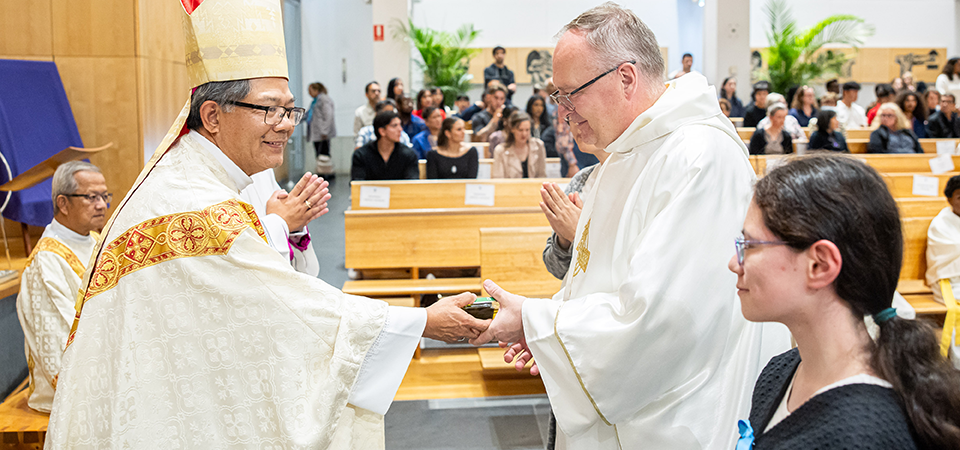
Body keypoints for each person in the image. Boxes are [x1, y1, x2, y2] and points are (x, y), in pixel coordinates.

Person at [45, 2, 488, 446]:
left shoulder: (195, 179)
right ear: (213, 116)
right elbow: (288, 307)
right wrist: (419, 323)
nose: (286, 126)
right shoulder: (198, 209)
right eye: (269, 110)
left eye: (290, 111)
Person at [471, 4, 783, 448]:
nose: (562, 111)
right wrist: (547, 331)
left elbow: (665, 319)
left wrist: (538, 322)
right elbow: (601, 275)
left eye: (569, 93)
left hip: (672, 417)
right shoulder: (627, 151)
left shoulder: (698, 156)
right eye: (556, 96)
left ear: (626, 77)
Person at [732, 155, 960, 449]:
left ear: (820, 265)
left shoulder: (862, 435)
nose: (733, 263)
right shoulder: (781, 371)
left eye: (749, 245)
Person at [16, 161, 107, 413]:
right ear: (63, 203)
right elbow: (60, 341)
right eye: (91, 197)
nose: (102, 205)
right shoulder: (46, 262)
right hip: (68, 398)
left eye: (104, 196)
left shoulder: (96, 240)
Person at [240, 170, 325, 276]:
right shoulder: (216, 184)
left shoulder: (263, 171)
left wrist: (294, 228)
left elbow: (308, 273)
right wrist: (278, 222)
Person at [926, 175, 960, 367]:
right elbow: (950, 251)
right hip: (949, 279)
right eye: (959, 198)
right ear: (949, 199)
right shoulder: (941, 223)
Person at [353, 111, 420, 180]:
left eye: (400, 125)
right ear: (382, 131)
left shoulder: (408, 154)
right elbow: (357, 183)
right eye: (394, 126)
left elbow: (412, 183)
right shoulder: (361, 155)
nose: (400, 129)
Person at [491, 111, 546, 178]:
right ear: (512, 129)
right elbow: (498, 180)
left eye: (527, 130)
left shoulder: (538, 146)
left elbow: (542, 176)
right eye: (520, 130)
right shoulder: (500, 151)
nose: (524, 134)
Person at [306, 82, 335, 158]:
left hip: (322, 133)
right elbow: (308, 114)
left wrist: (324, 131)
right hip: (316, 132)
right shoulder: (314, 101)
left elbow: (328, 115)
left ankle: (325, 170)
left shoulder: (323, 99)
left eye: (310, 90)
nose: (309, 93)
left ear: (316, 90)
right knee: (318, 154)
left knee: (324, 154)